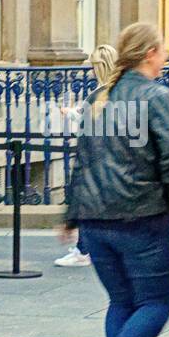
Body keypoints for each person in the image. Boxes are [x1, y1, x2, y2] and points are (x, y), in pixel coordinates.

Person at [64, 23, 169, 337]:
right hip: (143, 217)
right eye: (161, 51)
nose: (166, 58)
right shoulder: (158, 97)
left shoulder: (97, 98)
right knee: (156, 301)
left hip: (96, 219)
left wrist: (72, 214)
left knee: (121, 301)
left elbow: (82, 161)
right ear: (148, 54)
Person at [55, 44, 118, 269]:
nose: (90, 70)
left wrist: (69, 113)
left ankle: (83, 250)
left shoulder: (100, 93)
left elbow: (87, 122)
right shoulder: (119, 90)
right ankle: (90, 247)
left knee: (87, 201)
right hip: (114, 157)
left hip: (96, 156)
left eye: (93, 65)